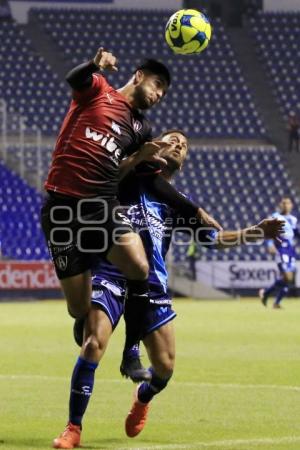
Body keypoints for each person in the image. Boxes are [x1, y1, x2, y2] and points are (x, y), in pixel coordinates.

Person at [52, 129, 285, 449]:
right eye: (172, 139)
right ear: (156, 145)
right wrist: (138, 158)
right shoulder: (125, 176)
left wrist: (256, 232)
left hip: (153, 287)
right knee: (93, 344)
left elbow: (215, 239)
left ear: (184, 162)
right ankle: (73, 428)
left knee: (164, 368)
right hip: (112, 272)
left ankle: (142, 397)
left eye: (184, 145)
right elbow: (98, 181)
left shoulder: (178, 204)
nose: (178, 144)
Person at [41, 48, 221, 382]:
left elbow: (152, 180)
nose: (157, 95)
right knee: (78, 309)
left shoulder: (142, 129)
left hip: (100, 206)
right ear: (138, 75)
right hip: (62, 208)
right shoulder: (98, 90)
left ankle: (130, 352)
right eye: (156, 85)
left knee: (139, 266)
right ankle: (86, 316)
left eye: (163, 93)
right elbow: (75, 78)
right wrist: (95, 64)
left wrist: (194, 210)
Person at [259, 197, 299, 308]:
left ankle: (274, 301)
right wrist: (269, 244)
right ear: (280, 205)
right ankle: (266, 293)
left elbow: (296, 233)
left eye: (288, 203)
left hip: (290, 250)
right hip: (280, 249)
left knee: (288, 279)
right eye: (284, 203)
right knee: (287, 277)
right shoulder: (275, 217)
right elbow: (267, 231)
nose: (286, 205)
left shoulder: (293, 219)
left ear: (291, 205)